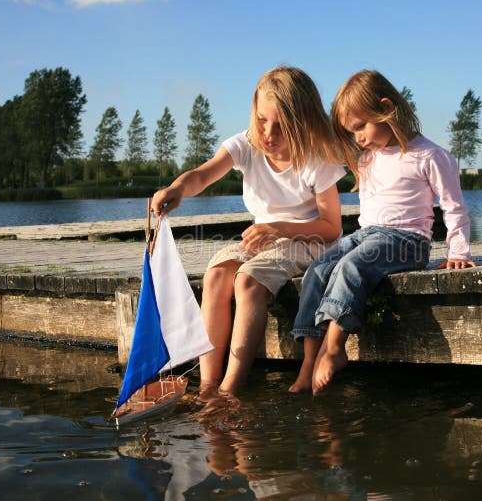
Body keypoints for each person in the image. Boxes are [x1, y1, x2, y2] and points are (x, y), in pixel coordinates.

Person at [151, 66, 354, 393]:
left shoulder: (316, 158)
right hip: (266, 238)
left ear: (302, 124)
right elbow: (202, 175)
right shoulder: (247, 144)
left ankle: (230, 390)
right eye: (262, 120)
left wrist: (277, 228)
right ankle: (207, 386)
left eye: (281, 125)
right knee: (217, 274)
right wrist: (176, 189)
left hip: (309, 240)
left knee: (248, 279)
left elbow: (331, 228)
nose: (268, 133)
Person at [289, 69, 476, 395]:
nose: (358, 137)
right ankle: (309, 360)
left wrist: (457, 251)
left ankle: (335, 349)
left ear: (386, 108)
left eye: (361, 126)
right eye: (352, 131)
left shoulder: (429, 155)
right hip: (367, 235)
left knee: (351, 267)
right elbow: (325, 142)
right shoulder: (366, 158)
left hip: (407, 240)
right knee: (317, 269)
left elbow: (454, 207)